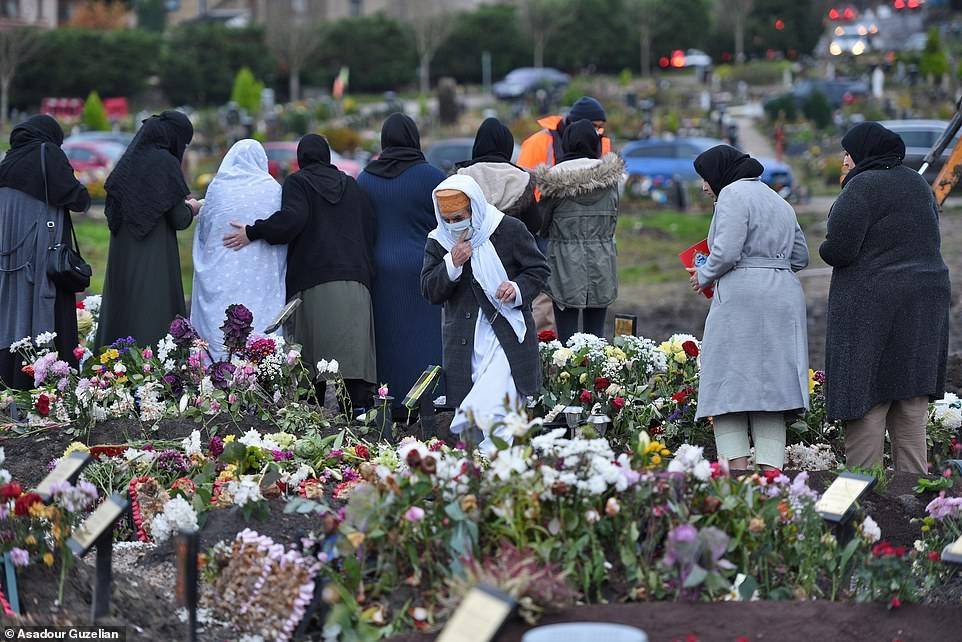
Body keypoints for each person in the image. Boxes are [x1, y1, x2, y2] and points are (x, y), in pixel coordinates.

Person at [820, 122, 950, 474]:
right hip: (923, 311)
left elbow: (840, 249)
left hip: (872, 316)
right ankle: (916, 515)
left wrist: (824, 240)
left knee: (867, 409)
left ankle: (864, 512)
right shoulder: (918, 185)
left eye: (848, 153)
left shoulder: (862, 187)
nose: (844, 160)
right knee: (910, 416)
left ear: (861, 153)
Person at [224, 134, 377, 410]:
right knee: (354, 364)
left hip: (314, 282)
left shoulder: (298, 182)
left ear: (301, 159)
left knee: (311, 366)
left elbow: (291, 221)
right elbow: (369, 227)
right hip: (356, 282)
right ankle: (361, 426)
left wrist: (252, 231)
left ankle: (311, 424)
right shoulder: (353, 187)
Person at [689, 144, 810, 471]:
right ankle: (772, 478)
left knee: (728, 389)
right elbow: (801, 257)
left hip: (742, 299)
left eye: (705, 178)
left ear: (719, 173)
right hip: (783, 295)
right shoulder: (778, 200)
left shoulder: (731, 195)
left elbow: (727, 252)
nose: (704, 186)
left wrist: (703, 274)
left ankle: (737, 478)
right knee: (772, 392)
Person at [420, 175, 548, 453]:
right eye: (448, 219)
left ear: (474, 209)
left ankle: (496, 458)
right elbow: (430, 290)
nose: (454, 225)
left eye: (460, 217)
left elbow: (538, 270)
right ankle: (481, 467)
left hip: (507, 334)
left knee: (495, 402)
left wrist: (516, 289)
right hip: (465, 342)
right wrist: (451, 263)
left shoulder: (508, 229)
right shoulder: (439, 241)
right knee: (475, 410)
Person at [358, 113, 446, 408]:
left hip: (380, 269)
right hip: (424, 267)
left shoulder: (366, 179)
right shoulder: (432, 177)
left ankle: (388, 400)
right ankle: (431, 400)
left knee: (388, 337)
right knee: (426, 337)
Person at [96, 111, 200, 350]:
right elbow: (178, 218)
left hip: (122, 255)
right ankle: (153, 374)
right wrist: (192, 207)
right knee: (153, 315)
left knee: (123, 316)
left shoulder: (129, 159)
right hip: (154, 257)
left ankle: (115, 372)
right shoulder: (165, 162)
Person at [0, 115, 90, 389]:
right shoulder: (47, 153)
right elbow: (78, 198)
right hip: (38, 251)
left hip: (9, 253)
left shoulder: (8, 160)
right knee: (40, 302)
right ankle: (46, 380)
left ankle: (9, 377)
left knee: (12, 306)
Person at [518, 96, 611, 335]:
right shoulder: (539, 142)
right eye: (596, 127)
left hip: (557, 237)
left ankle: (551, 358)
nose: (599, 132)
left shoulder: (601, 143)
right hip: (599, 253)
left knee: (558, 312)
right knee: (593, 334)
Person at [190, 139, 284, 361]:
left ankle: (216, 376)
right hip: (260, 278)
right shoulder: (273, 190)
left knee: (222, 329)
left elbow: (205, 232)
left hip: (222, 277)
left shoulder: (218, 189)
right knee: (258, 329)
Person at [534, 119, 624, 342]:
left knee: (567, 341)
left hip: (563, 264)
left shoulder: (553, 182)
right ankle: (598, 377)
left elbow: (540, 225)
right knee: (597, 339)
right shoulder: (610, 181)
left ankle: (569, 377)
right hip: (602, 262)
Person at [454, 117, 541, 235]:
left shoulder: (461, 177)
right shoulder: (521, 177)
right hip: (512, 250)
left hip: (471, 251)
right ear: (507, 145)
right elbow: (534, 223)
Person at [517, 96, 611, 171]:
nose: (596, 131)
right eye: (593, 125)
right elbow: (524, 183)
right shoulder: (537, 142)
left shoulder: (602, 142)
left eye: (599, 126)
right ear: (574, 123)